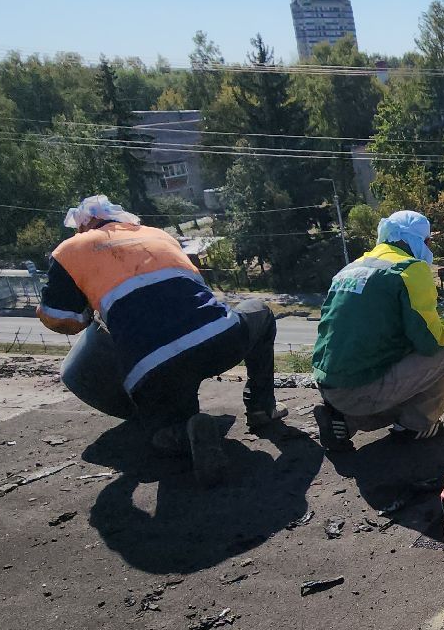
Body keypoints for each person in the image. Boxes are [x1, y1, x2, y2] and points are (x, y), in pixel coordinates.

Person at [38, 195, 283, 484]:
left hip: (152, 368)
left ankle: (183, 431)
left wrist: (87, 307)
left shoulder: (70, 250)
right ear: (120, 219)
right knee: (261, 314)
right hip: (217, 339)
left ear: (82, 227)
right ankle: (261, 408)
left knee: (160, 431)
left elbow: (63, 321)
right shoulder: (159, 236)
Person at [310, 210, 444, 449]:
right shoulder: (410, 269)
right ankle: (416, 426)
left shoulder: (351, 268)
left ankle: (343, 421)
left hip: (330, 386)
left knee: (400, 352)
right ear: (413, 240)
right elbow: (431, 341)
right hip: (361, 391)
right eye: (428, 240)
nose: (430, 246)